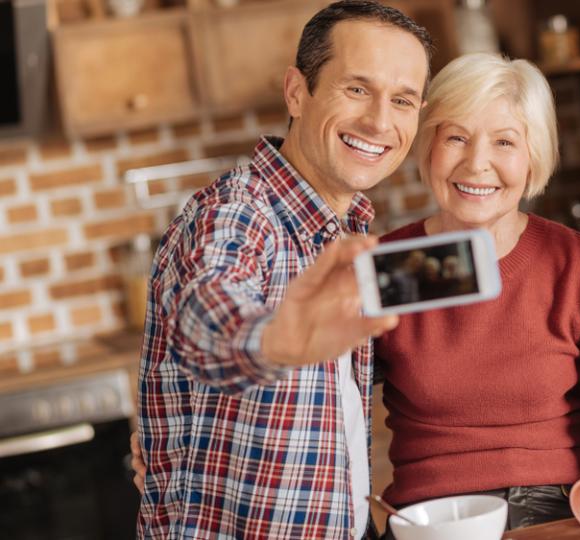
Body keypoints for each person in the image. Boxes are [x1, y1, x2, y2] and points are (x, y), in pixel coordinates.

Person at [135, 2, 431, 538]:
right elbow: (209, 312)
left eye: (403, 100)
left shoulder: (345, 232)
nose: (380, 121)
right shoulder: (237, 211)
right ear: (297, 92)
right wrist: (274, 343)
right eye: (357, 89)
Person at [375, 53, 580, 535]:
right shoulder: (391, 269)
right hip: (432, 518)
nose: (476, 163)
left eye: (504, 142)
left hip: (557, 509)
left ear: (534, 155)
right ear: (428, 147)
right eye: (455, 137)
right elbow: (322, 417)